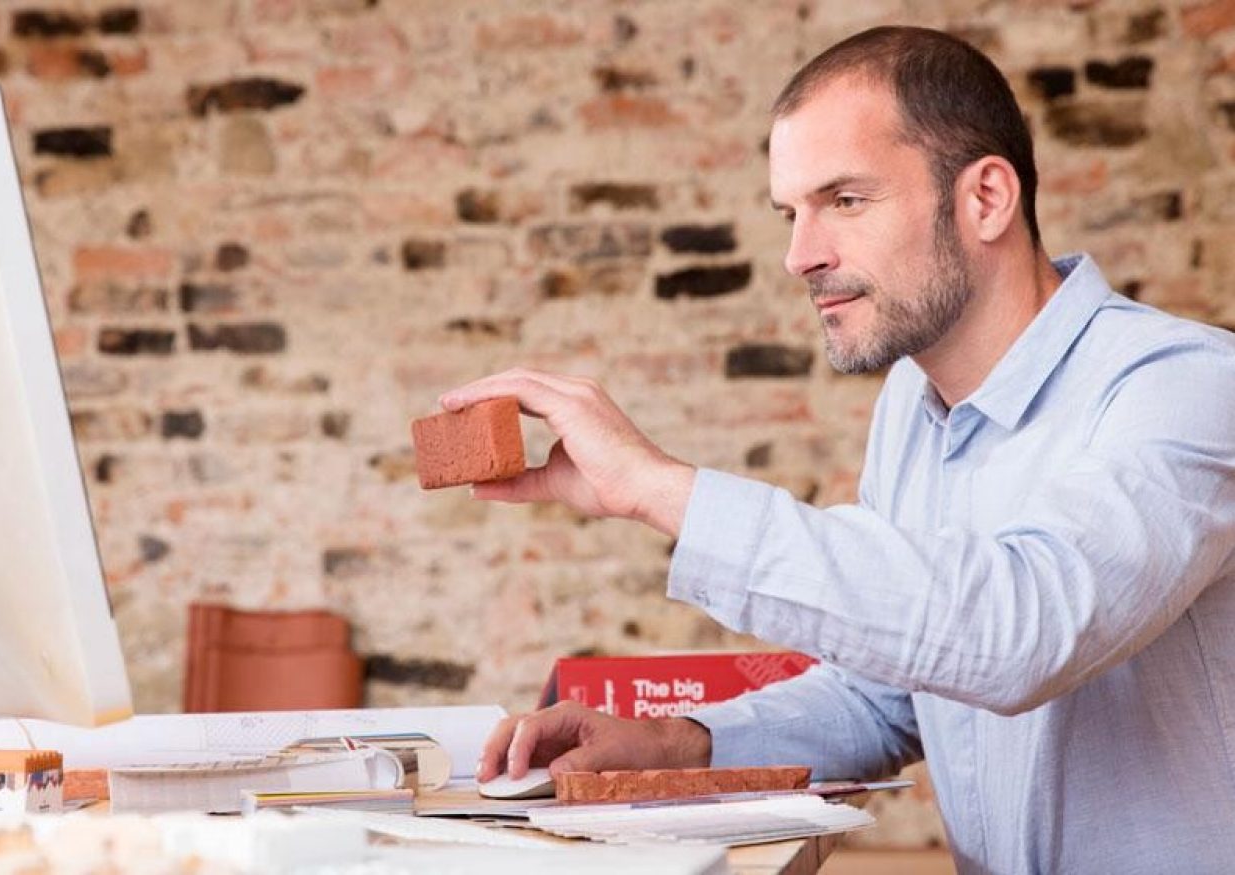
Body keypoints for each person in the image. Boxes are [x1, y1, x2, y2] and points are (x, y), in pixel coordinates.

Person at [440, 25, 1235, 875]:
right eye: (791, 212)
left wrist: (659, 489)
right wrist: (675, 740)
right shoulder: (913, 407)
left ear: (987, 199)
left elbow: (1021, 633)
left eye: (844, 201)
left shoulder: (1187, 386)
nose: (799, 255)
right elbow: (890, 692)